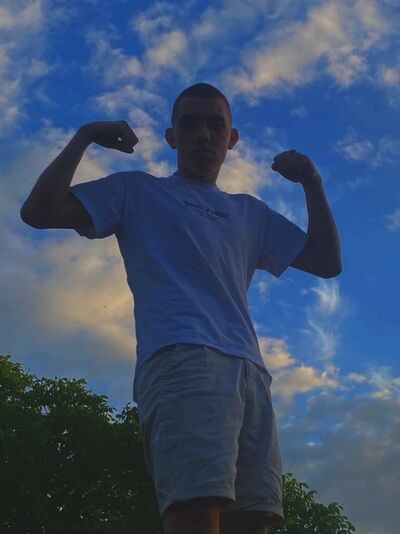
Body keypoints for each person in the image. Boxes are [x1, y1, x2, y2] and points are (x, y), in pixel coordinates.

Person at [20, 82, 342, 534]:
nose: (203, 134)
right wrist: (86, 136)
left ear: (232, 138)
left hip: (250, 371)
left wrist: (312, 182)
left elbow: (327, 262)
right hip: (182, 357)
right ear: (172, 137)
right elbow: (39, 211)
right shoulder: (137, 190)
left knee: (254, 518)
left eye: (215, 124)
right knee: (196, 508)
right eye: (190, 124)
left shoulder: (248, 212)